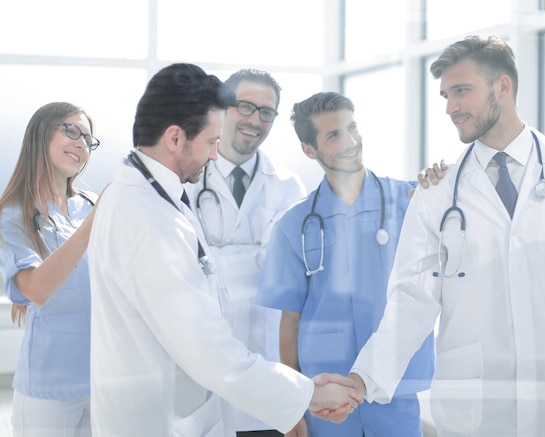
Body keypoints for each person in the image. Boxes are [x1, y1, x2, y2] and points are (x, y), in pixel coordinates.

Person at [347, 35, 545, 436]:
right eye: (445, 95)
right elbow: (412, 300)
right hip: (473, 409)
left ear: (502, 86)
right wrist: (364, 378)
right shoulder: (437, 192)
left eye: (461, 91)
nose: (450, 107)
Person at [87, 63, 362, 437]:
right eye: (211, 142)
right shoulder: (151, 222)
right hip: (162, 414)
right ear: (174, 138)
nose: (215, 155)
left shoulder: (148, 197)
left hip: (199, 391)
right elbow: (208, 350)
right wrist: (309, 394)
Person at [257, 91, 435, 437]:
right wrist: (292, 405)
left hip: (393, 390)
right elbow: (289, 322)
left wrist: (440, 177)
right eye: (334, 134)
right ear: (310, 150)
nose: (352, 141)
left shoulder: (411, 201)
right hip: (326, 395)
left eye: (352, 128)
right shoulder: (294, 225)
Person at [188, 69, 306, 437]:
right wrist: (256, 261)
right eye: (245, 106)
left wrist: (219, 261)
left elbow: (294, 283)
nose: (255, 120)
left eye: (266, 112)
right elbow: (180, 270)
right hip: (202, 368)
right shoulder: (188, 183)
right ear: (223, 108)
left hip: (267, 371)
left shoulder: (288, 187)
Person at [0, 102, 100, 436]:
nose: (81, 144)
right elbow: (37, 289)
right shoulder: (12, 215)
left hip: (100, 378)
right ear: (40, 134)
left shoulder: (88, 204)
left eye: (88, 139)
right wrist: (96, 222)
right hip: (48, 386)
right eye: (71, 130)